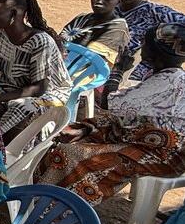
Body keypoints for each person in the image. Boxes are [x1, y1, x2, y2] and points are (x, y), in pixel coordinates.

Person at [34, 24, 185, 207]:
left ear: (156, 53)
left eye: (146, 43)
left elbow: (109, 103)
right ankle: (42, 194)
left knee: (72, 153)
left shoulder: (169, 80)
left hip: (163, 155)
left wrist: (118, 70)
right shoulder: (166, 75)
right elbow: (126, 114)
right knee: (71, 133)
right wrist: (86, 128)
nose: (141, 46)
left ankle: (58, 208)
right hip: (144, 139)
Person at [0, 0, 71, 139]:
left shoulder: (39, 42)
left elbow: (39, 88)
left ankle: (1, 146)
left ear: (14, 14)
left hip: (47, 93)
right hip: (8, 87)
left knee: (22, 107)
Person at [109, 0, 185, 89]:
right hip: (106, 58)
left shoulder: (155, 11)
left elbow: (181, 24)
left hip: (138, 65)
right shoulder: (109, 9)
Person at [60, 0, 130, 69]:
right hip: (60, 65)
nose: (99, 1)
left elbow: (90, 60)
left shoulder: (117, 28)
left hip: (81, 74)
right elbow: (59, 41)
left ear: (118, 2)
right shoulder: (82, 18)